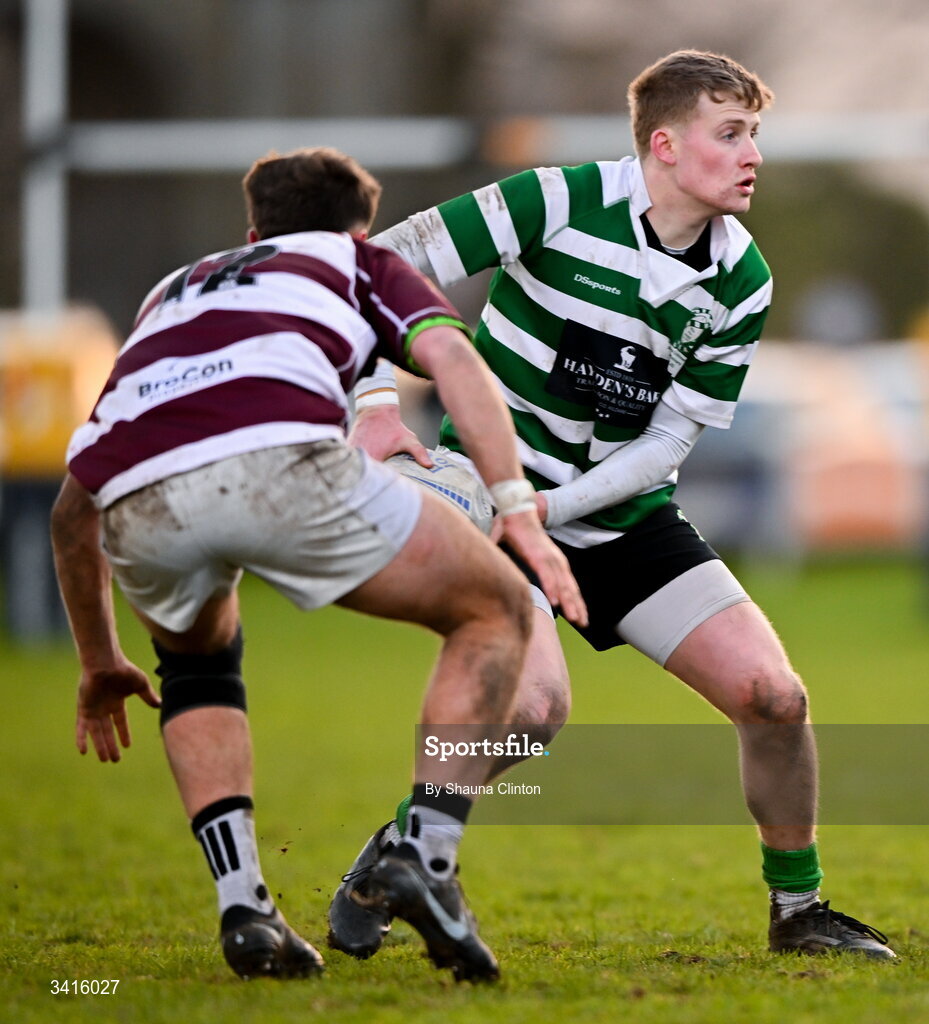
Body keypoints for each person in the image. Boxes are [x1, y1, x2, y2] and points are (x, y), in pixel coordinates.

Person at [327, 50, 896, 961]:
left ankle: (799, 913)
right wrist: (376, 405)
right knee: (534, 714)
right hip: (487, 492)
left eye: (754, 134)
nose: (752, 154)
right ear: (663, 146)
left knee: (774, 697)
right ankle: (411, 848)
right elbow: (372, 269)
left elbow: (667, 446)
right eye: (731, 134)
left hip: (611, 512)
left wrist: (552, 510)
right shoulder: (553, 199)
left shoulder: (741, 279)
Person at [50, 146, 587, 984]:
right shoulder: (358, 260)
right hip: (279, 463)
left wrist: (96, 661)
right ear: (361, 225)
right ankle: (428, 859)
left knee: (195, 671)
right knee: (496, 612)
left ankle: (245, 908)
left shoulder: (173, 290)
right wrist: (518, 509)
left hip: (137, 499)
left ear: (252, 228)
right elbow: (454, 362)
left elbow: (70, 511)